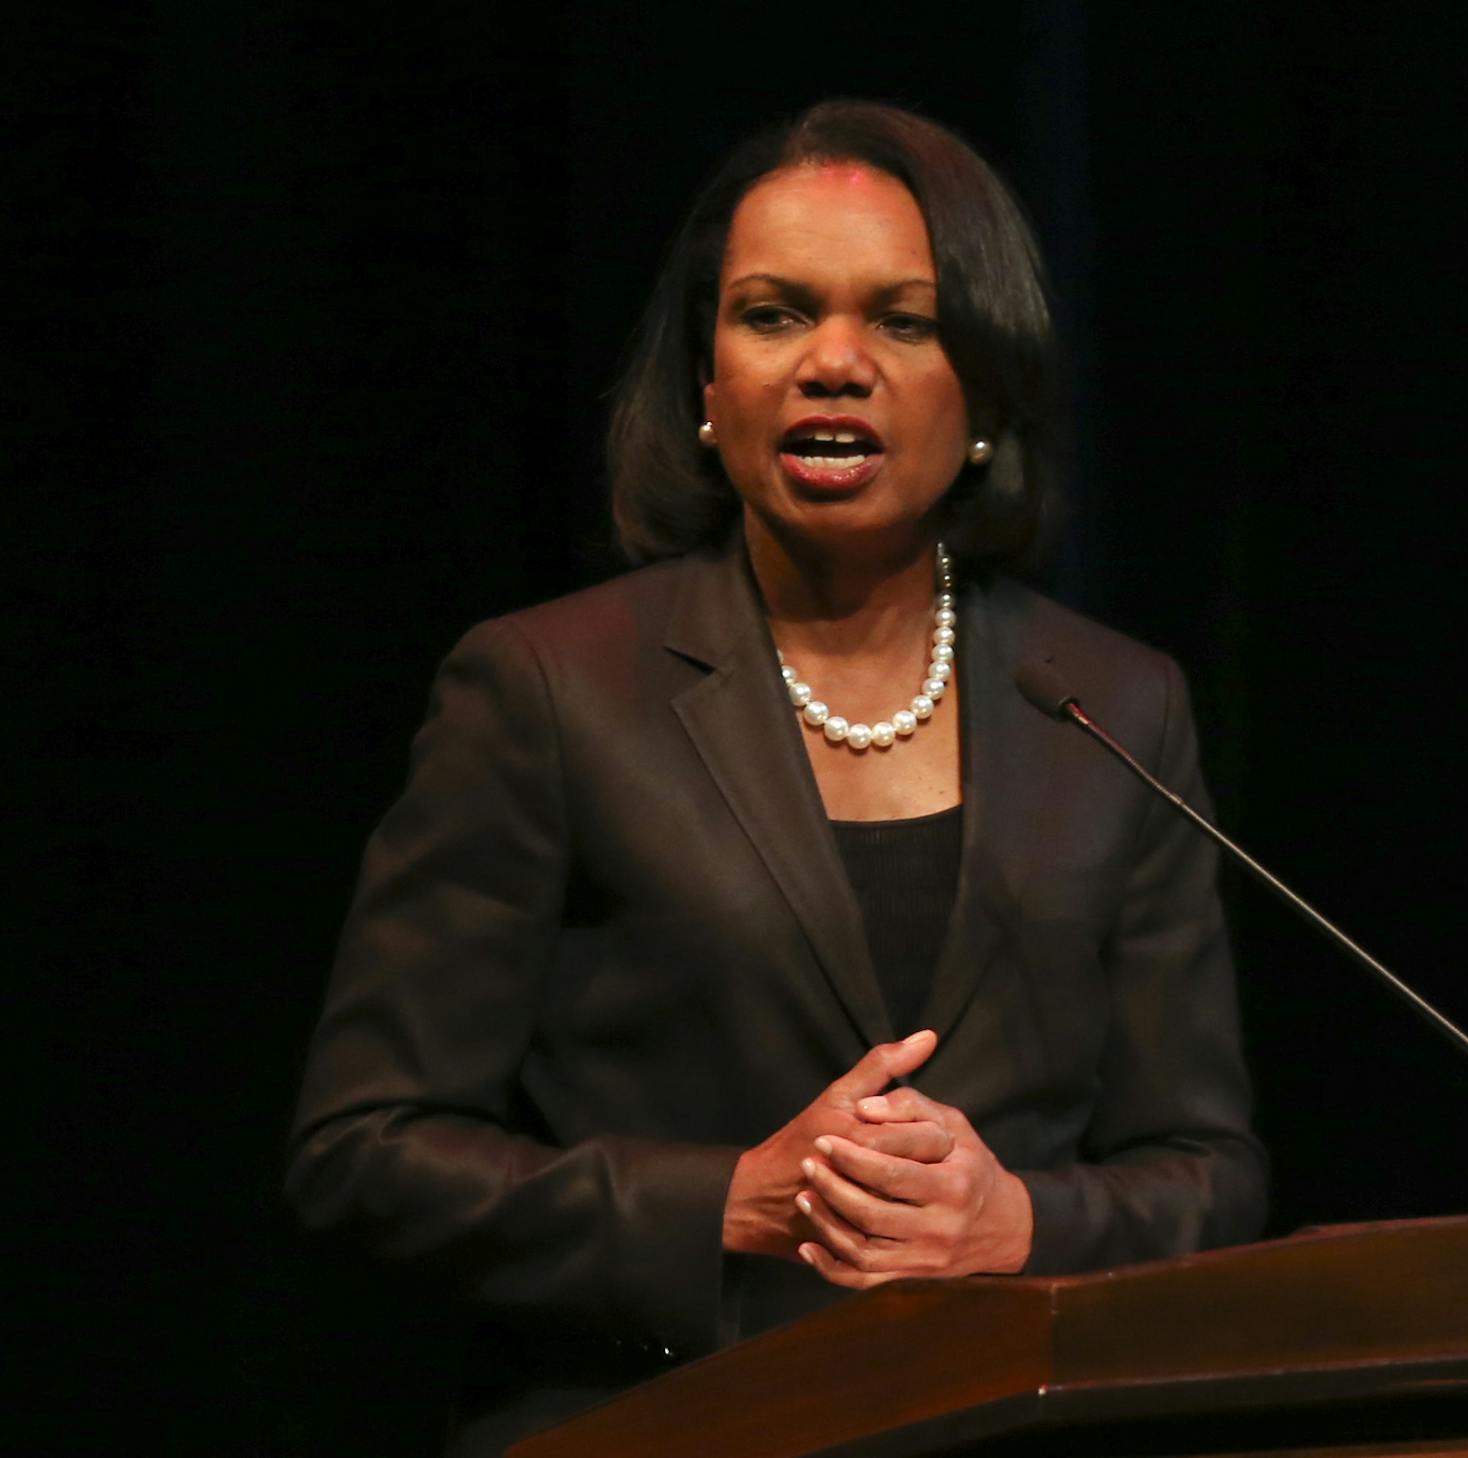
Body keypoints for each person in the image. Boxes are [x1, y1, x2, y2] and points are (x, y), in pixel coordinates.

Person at [286, 99, 1266, 1456]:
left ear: (984, 391)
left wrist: (1021, 1223)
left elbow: (1208, 1171)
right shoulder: (549, 691)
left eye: (903, 321)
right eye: (774, 314)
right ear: (706, 385)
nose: (833, 363)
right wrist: (726, 1202)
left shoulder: (1115, 704)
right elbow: (364, 1154)